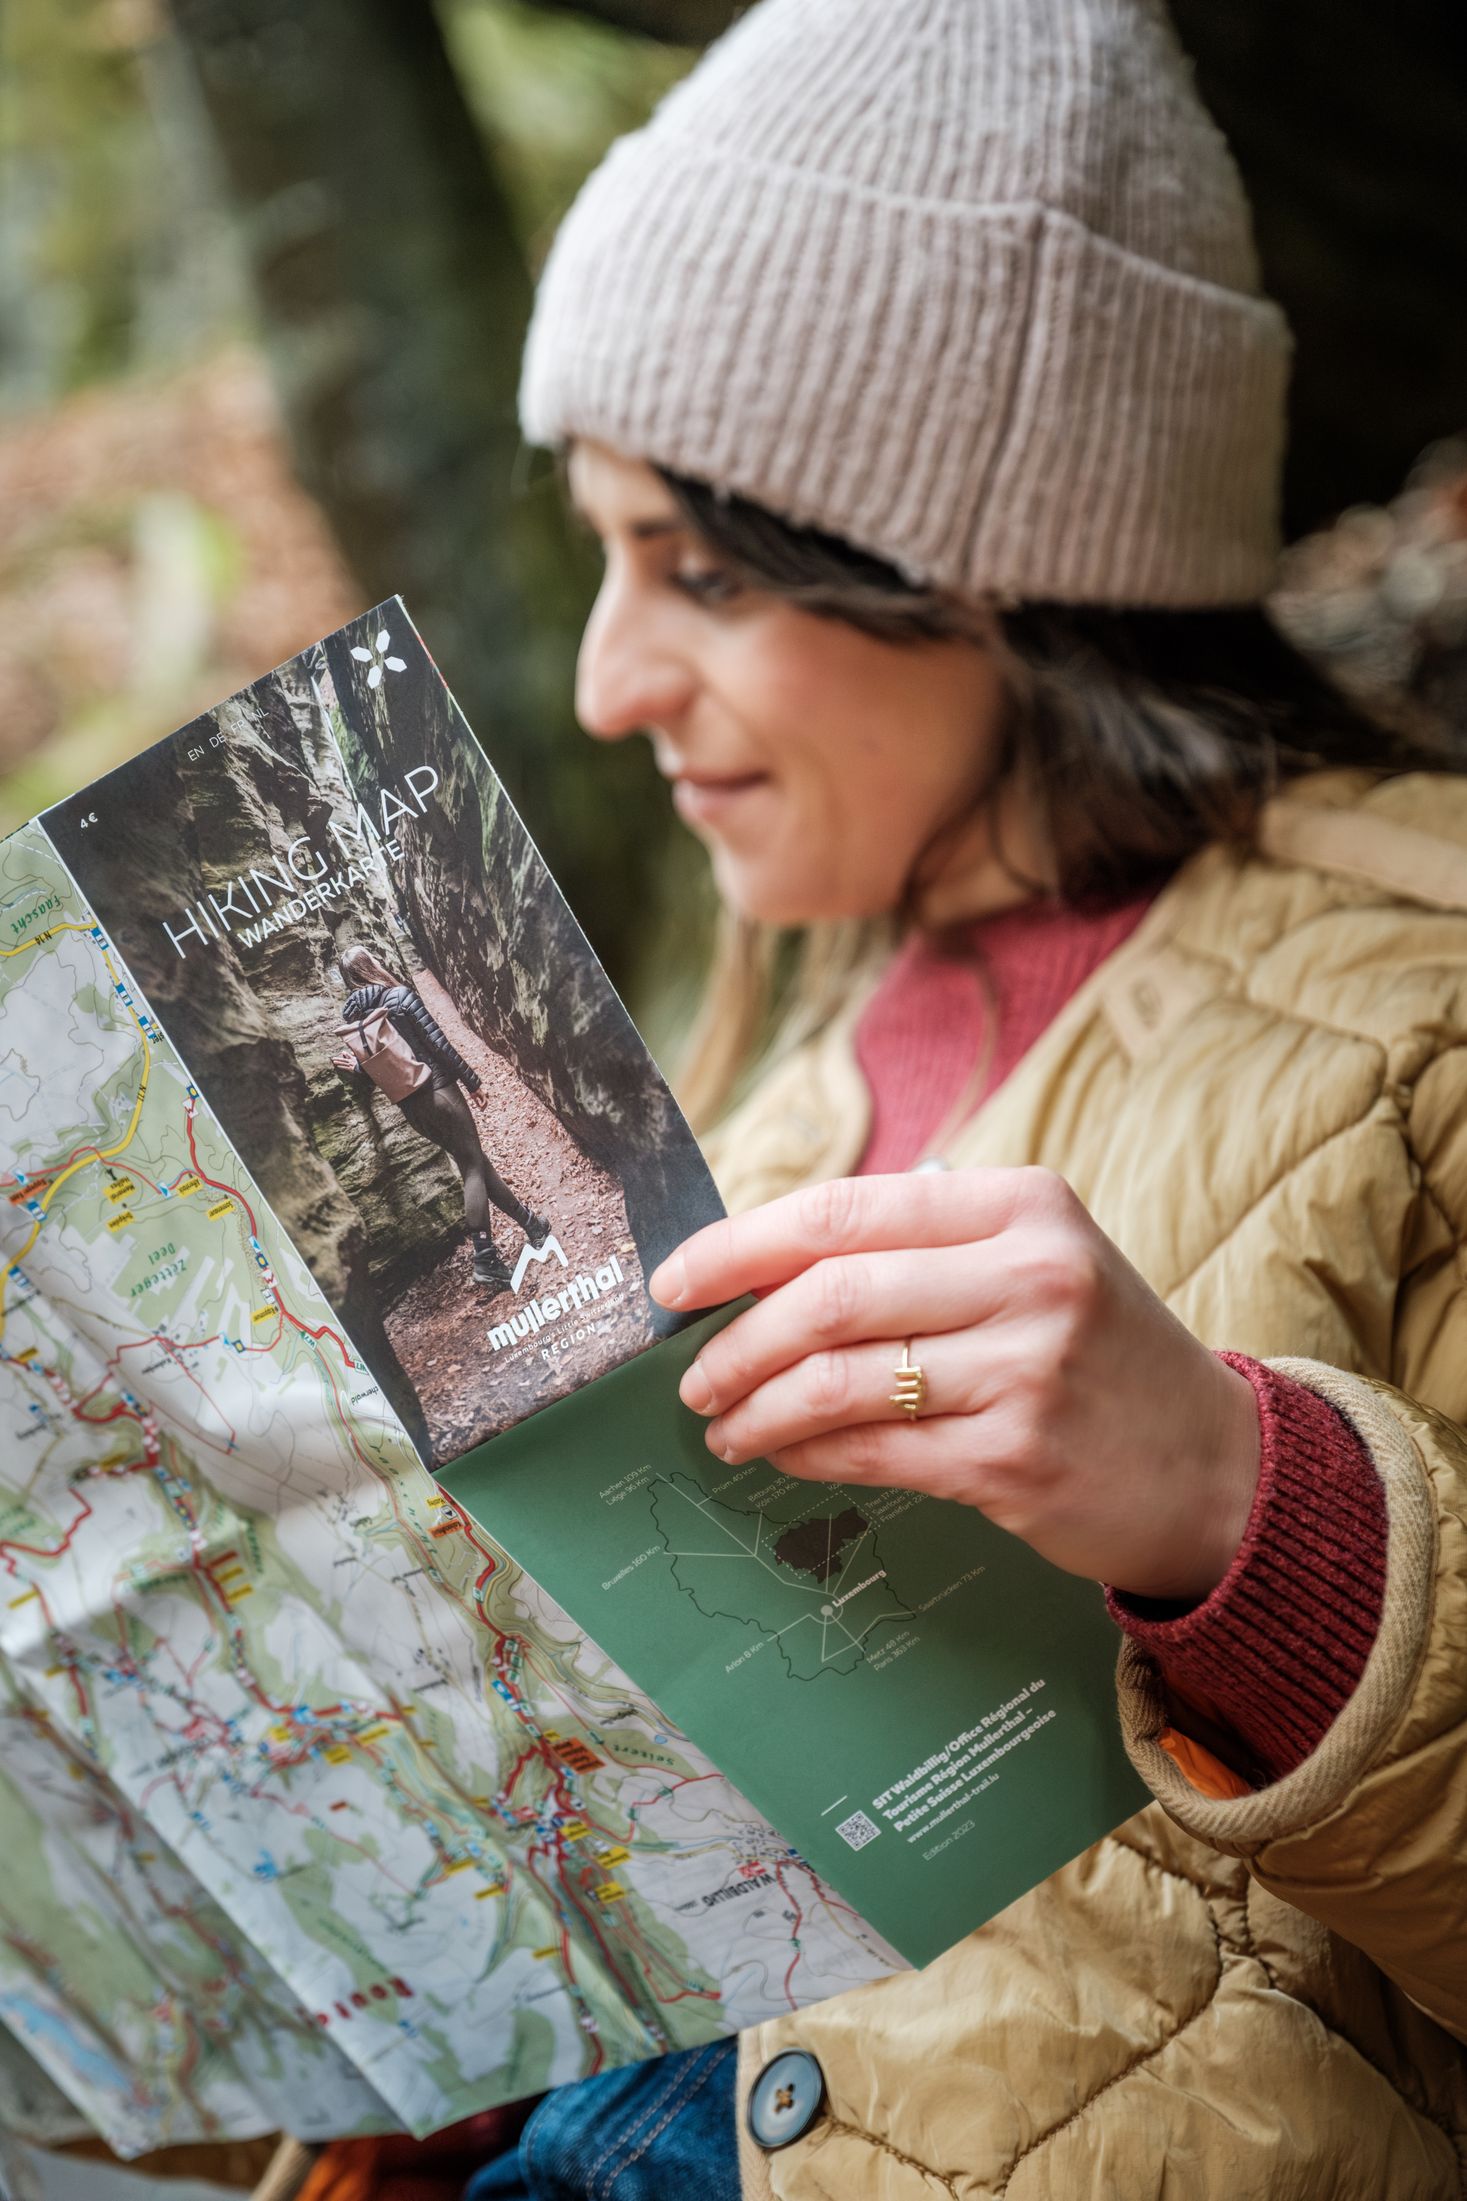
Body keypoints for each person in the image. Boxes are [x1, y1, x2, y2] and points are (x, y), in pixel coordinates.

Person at [466, 0, 1467, 2192]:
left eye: (698, 569)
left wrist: (1242, 1508)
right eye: (605, 552)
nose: (605, 679)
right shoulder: (752, 1075)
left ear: (1005, 562)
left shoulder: (1430, 1022)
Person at [332, 944, 546, 1294]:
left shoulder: (354, 1024)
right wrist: (472, 1081)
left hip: (413, 1109)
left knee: (472, 1160)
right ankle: (485, 1258)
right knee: (472, 1166)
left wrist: (356, 1068)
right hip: (440, 1092)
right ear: (370, 966)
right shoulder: (399, 997)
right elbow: (438, 1045)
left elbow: (376, 1073)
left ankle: (532, 1224)